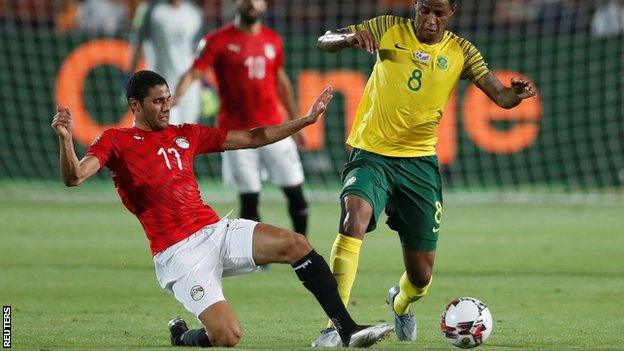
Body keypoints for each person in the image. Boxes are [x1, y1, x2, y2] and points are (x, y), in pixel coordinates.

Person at [50, 70, 392, 348]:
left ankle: (346, 329)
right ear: (135, 105)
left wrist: (303, 121)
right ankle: (184, 338)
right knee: (228, 336)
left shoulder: (186, 134)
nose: (167, 107)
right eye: (158, 102)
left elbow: (254, 137)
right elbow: (75, 176)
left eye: (168, 99)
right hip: (178, 255)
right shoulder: (116, 141)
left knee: (297, 244)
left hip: (214, 231)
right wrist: (67, 140)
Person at [312, 0, 536, 346]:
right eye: (424, 10)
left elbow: (501, 98)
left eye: (439, 14)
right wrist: (348, 39)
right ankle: (336, 325)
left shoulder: (462, 51)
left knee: (420, 275)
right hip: (372, 153)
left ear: (452, 14)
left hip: (419, 165)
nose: (429, 20)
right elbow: (324, 40)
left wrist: (516, 95)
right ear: (415, 7)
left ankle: (400, 304)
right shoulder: (388, 27)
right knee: (352, 219)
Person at [174, 0, 309, 237]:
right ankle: (256, 256)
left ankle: (303, 249)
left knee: (296, 195)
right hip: (236, 135)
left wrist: (297, 122)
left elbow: (280, 81)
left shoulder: (273, 40)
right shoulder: (217, 40)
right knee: (249, 199)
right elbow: (194, 72)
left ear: (264, 6)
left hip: (274, 129)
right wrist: (175, 97)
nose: (251, 3)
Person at [128, 0, 204, 125]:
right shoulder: (149, 10)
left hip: (188, 89)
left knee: (188, 135)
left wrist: (202, 83)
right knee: (161, 133)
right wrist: (129, 77)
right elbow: (137, 43)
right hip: (158, 87)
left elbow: (198, 53)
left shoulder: (195, 13)